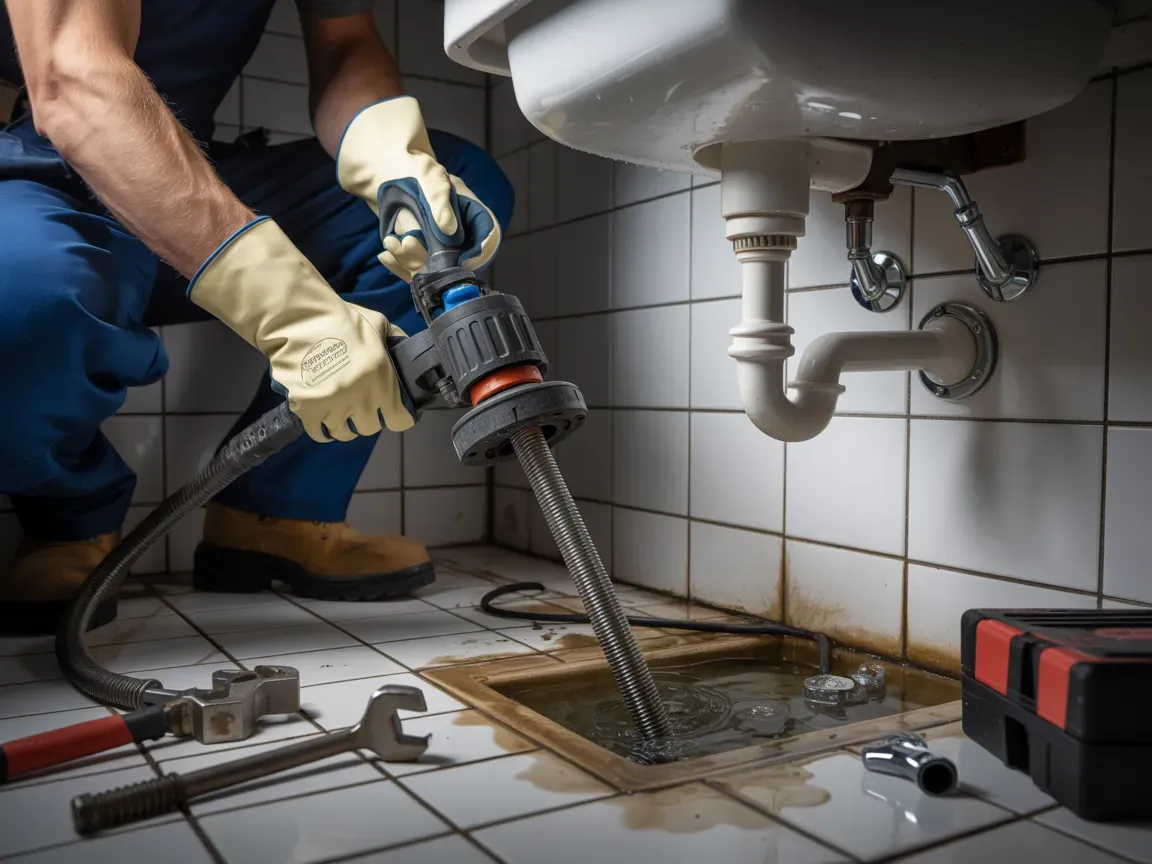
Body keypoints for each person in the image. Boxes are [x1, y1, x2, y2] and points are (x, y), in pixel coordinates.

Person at [0, 0, 513, 635]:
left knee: (462, 190)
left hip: (185, 163)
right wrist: (289, 311)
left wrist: (393, 161)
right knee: (20, 297)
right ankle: (67, 522)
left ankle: (274, 516)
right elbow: (74, 78)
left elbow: (346, 42)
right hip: (37, 167)